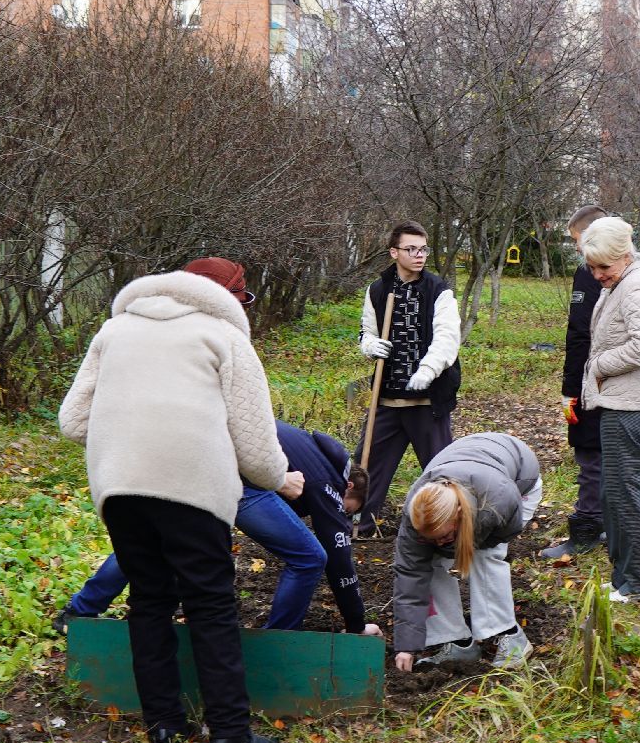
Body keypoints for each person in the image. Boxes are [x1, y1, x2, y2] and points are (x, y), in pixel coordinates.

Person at [58, 256, 286, 743]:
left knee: (148, 600)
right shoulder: (226, 339)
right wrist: (282, 479)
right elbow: (255, 447)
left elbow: (73, 421)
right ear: (232, 296)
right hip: (193, 488)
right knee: (210, 604)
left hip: (120, 486)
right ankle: (229, 733)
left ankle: (163, 726)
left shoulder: (114, 331)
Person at [54, 422, 382, 637]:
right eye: (350, 511)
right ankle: (280, 639)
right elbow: (339, 558)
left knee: (149, 542)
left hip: (190, 456)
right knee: (309, 557)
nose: (345, 518)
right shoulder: (329, 482)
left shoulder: (306, 449)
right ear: (349, 487)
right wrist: (355, 624)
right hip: (235, 480)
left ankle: (79, 611)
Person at [391, 433, 542, 672]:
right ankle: (458, 642)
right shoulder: (417, 513)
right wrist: (406, 645)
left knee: (484, 556)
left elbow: (506, 532)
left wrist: (462, 545)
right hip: (470, 463)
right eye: (434, 538)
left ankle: (510, 636)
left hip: (519, 478)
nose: (440, 542)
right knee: (428, 561)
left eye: (444, 535)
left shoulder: (496, 502)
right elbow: (410, 575)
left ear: (460, 513)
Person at [580, 216, 640, 604]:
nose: (597, 274)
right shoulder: (622, 282)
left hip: (630, 405)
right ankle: (623, 580)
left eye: (604, 266)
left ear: (625, 255)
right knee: (613, 493)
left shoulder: (636, 288)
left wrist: (599, 365)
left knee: (625, 494)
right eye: (591, 267)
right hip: (620, 401)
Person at [355, 221, 462, 537]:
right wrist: (370, 346)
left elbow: (447, 337)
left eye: (423, 249)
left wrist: (428, 370)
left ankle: (452, 527)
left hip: (426, 402)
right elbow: (366, 332)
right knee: (367, 466)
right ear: (394, 252)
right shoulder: (378, 289)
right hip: (386, 399)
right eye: (411, 249)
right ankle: (362, 524)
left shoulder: (438, 290)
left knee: (441, 470)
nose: (419, 255)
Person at [541, 204, 610, 561]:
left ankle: (588, 526)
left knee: (591, 453)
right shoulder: (598, 272)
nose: (578, 249)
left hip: (594, 381)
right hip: (594, 378)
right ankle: (601, 524)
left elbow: (581, 333)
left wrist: (572, 388)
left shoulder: (595, 274)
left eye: (578, 241)